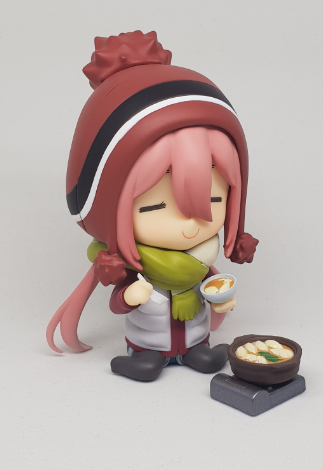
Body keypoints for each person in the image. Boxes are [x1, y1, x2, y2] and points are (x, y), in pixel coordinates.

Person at [46, 31, 258, 381]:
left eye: (213, 200)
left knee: (203, 354)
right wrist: (132, 294)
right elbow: (118, 303)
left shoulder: (200, 262)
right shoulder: (134, 265)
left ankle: (197, 351)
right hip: (148, 340)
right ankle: (143, 359)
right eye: (156, 207)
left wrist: (221, 300)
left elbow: (211, 286)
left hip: (194, 336)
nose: (190, 224)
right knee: (147, 362)